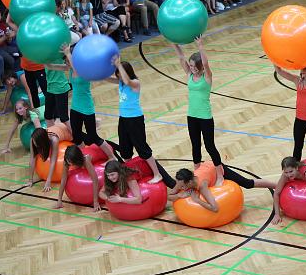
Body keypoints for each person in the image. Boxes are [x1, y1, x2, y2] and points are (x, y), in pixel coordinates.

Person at [173, 37, 225, 185]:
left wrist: (200, 46)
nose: (192, 68)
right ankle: (196, 172)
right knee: (195, 144)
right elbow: (181, 57)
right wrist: (175, 43)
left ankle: (220, 175)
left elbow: (206, 63)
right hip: (192, 116)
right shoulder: (189, 75)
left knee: (209, 146)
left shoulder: (207, 77)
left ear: (201, 67)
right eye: (191, 66)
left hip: (205, 117)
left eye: (195, 66)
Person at [107, 56, 163, 184]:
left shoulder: (135, 82)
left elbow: (127, 81)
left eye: (120, 74)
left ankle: (157, 174)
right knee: (125, 150)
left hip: (135, 119)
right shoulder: (121, 81)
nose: (119, 77)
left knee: (142, 148)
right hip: (123, 119)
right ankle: (130, 173)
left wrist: (119, 65)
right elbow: (108, 79)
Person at [273, 46, 306, 176]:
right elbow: (280, 72)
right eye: (301, 69)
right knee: (298, 147)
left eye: (304, 69)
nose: (301, 71)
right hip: (299, 120)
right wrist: (274, 59)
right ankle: (294, 172)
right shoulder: (297, 81)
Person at [168, 166, 277, 207]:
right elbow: (173, 194)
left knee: (247, 184)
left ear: (189, 182)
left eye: (182, 186)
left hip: (218, 169)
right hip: (207, 168)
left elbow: (214, 208)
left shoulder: (202, 186)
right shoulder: (183, 180)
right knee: (178, 193)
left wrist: (198, 201)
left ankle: (277, 185)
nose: (180, 188)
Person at [28, 122, 73, 192]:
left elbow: (53, 160)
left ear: (42, 142)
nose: (35, 145)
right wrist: (30, 180)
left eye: (37, 144)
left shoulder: (54, 139)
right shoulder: (33, 139)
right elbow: (32, 158)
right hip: (57, 127)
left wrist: (48, 181)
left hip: (68, 131)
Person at [43, 49, 71, 127]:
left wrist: (66, 52)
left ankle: (76, 137)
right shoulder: (43, 53)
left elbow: (68, 67)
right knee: (48, 116)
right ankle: (52, 134)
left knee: (64, 118)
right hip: (50, 87)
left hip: (60, 87)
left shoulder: (58, 51)